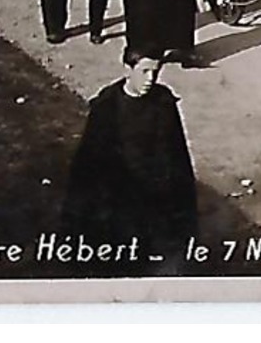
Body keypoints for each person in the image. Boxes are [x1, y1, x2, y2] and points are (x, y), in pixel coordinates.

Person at [59, 48, 199, 263]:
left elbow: (177, 156)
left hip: (155, 194)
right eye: (144, 71)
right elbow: (89, 160)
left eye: (155, 71)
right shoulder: (107, 106)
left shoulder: (163, 103)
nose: (150, 79)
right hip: (118, 194)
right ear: (128, 70)